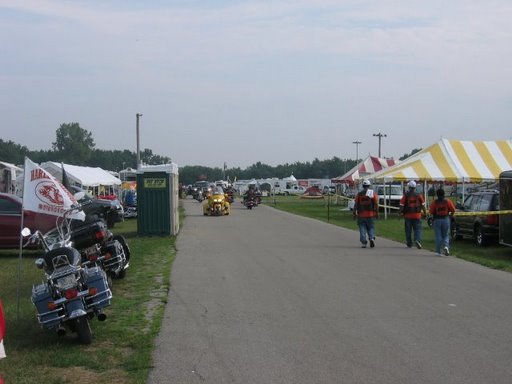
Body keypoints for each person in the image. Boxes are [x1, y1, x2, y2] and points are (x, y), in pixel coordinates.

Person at [399, 180, 427, 249]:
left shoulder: (406, 195)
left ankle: (409, 243)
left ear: (409, 187)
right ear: (415, 187)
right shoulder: (419, 195)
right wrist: (425, 213)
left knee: (408, 230)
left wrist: (400, 213)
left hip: (408, 216)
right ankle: (417, 240)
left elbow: (401, 205)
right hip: (417, 215)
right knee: (417, 229)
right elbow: (423, 205)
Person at [429, 188, 456, 256]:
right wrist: (450, 216)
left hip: (437, 220)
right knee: (446, 235)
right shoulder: (448, 201)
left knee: (438, 236)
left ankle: (438, 251)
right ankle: (446, 246)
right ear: (444, 194)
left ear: (437, 195)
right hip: (446, 219)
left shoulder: (435, 202)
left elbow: (431, 211)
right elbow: (453, 210)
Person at [353, 179, 379, 248]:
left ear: (363, 186)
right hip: (370, 214)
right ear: (369, 186)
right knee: (371, 227)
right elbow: (376, 203)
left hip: (361, 215)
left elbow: (355, 204)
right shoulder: (372, 193)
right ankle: (371, 238)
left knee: (362, 228)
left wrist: (354, 213)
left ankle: (364, 242)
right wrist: (377, 212)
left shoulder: (359, 194)